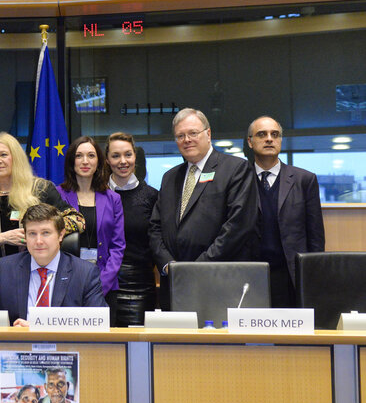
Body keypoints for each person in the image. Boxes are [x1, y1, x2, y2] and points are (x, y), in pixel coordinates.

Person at [149, 108, 258, 309]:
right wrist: (167, 264)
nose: (187, 139)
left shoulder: (236, 169)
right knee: (172, 341)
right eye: (180, 136)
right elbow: (155, 227)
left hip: (218, 282)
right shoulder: (170, 177)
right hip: (174, 284)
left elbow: (237, 227)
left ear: (208, 134)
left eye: (193, 133)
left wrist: (196, 268)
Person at [0, 132, 84, 304]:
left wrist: (37, 231)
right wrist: (0, 239)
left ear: (16, 158)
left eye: (3, 155)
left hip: (39, 276)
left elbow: (78, 221)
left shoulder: (41, 189)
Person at [247, 116, 325, 307]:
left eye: (275, 134)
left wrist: (313, 275)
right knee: (252, 335)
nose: (269, 139)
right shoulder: (239, 180)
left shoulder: (304, 180)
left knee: (291, 336)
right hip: (250, 274)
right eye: (262, 134)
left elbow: (315, 235)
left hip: (291, 275)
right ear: (250, 142)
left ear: (281, 140)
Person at [0, 203, 106, 326]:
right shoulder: (6, 269)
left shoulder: (85, 273)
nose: (38, 241)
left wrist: (37, 328)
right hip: (17, 344)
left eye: (46, 233)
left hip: (65, 345)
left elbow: (98, 325)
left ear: (61, 235)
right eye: (32, 233)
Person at [56, 136, 125, 319]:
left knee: (106, 345)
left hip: (105, 284)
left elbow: (118, 247)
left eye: (91, 155)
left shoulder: (113, 199)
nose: (85, 161)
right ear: (72, 161)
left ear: (99, 162)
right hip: (66, 283)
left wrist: (101, 284)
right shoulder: (58, 195)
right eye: (79, 156)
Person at [106, 132, 159, 325]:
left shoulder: (152, 196)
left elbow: (157, 241)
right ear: (107, 159)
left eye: (128, 154)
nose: (123, 161)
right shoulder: (97, 196)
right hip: (102, 284)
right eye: (116, 156)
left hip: (140, 285)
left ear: (135, 157)